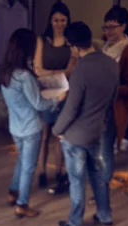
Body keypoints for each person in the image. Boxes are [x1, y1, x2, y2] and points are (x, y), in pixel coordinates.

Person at [52, 22, 119, 226]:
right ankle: (105, 215)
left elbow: (71, 109)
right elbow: (112, 99)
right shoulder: (111, 64)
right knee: (98, 176)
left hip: (76, 137)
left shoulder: (81, 70)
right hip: (97, 132)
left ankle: (75, 222)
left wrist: (57, 130)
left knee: (77, 180)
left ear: (73, 46)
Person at [0, 28, 64, 219]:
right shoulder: (24, 76)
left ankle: (13, 191)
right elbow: (39, 104)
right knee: (29, 166)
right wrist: (57, 99)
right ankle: (22, 204)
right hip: (30, 128)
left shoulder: (4, 72)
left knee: (22, 161)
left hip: (15, 126)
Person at [34, 1, 76, 194]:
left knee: (60, 135)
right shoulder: (42, 41)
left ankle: (59, 171)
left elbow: (71, 71)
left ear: (68, 21)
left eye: (63, 20)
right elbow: (37, 70)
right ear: (50, 21)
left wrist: (50, 73)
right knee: (44, 135)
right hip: (44, 93)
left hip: (64, 93)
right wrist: (57, 73)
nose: (59, 23)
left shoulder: (71, 43)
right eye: (56, 20)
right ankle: (42, 172)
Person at [101, 7, 128, 186]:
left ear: (123, 26)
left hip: (112, 107)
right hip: (99, 104)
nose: (108, 31)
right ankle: (98, 182)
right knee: (97, 147)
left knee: (106, 150)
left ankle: (103, 187)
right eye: (106, 27)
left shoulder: (126, 51)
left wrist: (112, 88)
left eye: (112, 27)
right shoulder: (105, 46)